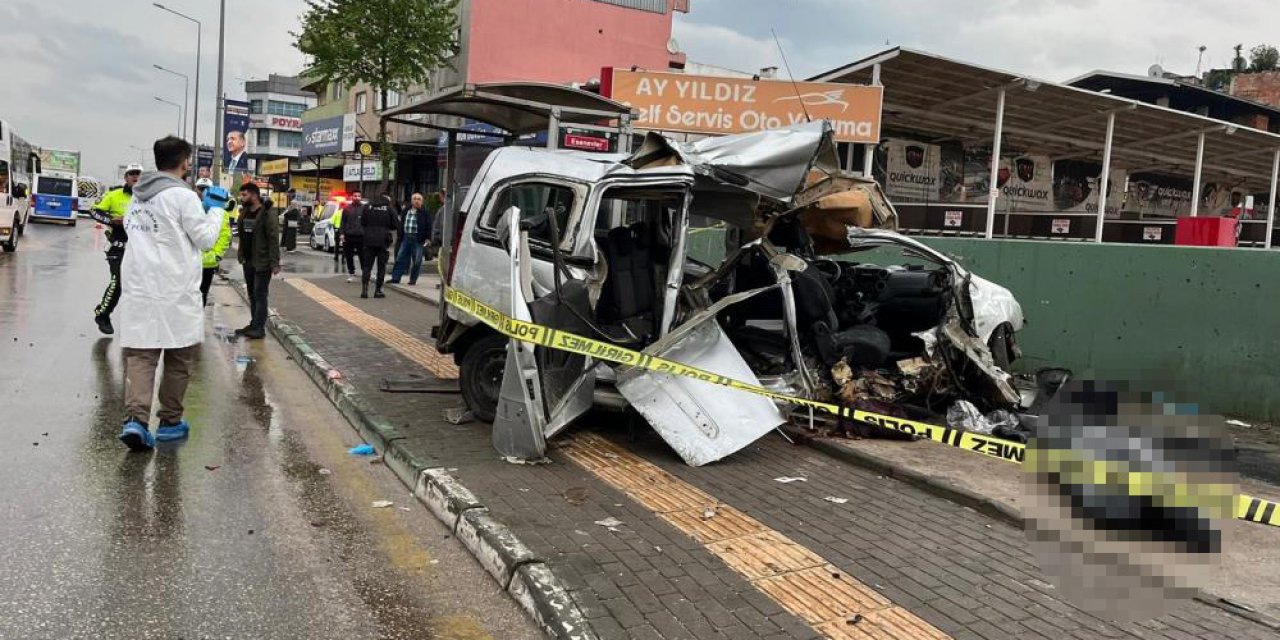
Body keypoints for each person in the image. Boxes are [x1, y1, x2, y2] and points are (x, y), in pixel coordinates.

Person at [115, 136, 222, 451]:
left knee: (142, 355)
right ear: (185, 162)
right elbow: (204, 240)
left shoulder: (139, 197)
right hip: (174, 289)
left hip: (140, 288)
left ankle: (136, 420)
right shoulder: (182, 196)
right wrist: (215, 210)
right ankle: (170, 423)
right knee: (178, 357)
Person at [89, 163, 143, 335]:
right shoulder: (114, 195)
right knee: (118, 282)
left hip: (140, 250)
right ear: (126, 177)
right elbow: (94, 210)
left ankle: (137, 323)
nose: (135, 177)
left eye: (138, 174)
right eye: (131, 174)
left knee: (139, 287)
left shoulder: (148, 198)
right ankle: (103, 314)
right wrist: (112, 220)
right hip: (117, 248)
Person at [234, 183, 280, 339]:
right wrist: (241, 254)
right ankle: (254, 323)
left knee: (260, 295)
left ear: (254, 195)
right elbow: (242, 235)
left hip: (262, 261)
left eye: (244, 195)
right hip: (248, 260)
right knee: (252, 294)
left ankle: (259, 328)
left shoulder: (267, 213)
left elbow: (273, 238)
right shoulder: (245, 212)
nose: (242, 198)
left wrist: (274, 262)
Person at [199, 186, 233, 307]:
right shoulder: (194, 209)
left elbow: (225, 236)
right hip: (191, 262)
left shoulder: (222, 215)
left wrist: (216, 255)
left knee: (202, 294)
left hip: (208, 263)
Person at [388, 192, 432, 285]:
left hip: (418, 238)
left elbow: (429, 225)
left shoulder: (425, 212)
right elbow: (401, 223)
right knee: (400, 258)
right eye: (415, 199)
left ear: (422, 202)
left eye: (419, 199)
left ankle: (413, 279)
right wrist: (400, 236)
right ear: (411, 201)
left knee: (417, 261)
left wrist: (428, 238)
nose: (416, 201)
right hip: (406, 237)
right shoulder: (406, 210)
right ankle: (395, 278)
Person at [359, 193, 396, 298]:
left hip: (368, 239)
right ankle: (378, 290)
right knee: (381, 267)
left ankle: (364, 290)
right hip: (383, 240)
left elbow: (362, 221)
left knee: (367, 266)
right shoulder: (388, 209)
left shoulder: (367, 207)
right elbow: (395, 224)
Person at [340, 191, 365, 282]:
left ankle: (365, 273)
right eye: (355, 196)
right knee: (349, 256)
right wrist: (342, 233)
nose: (357, 197)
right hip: (349, 235)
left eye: (359, 196)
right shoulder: (347, 208)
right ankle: (351, 273)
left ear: (361, 197)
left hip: (361, 236)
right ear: (352, 197)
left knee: (363, 256)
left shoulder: (364, 208)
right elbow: (343, 222)